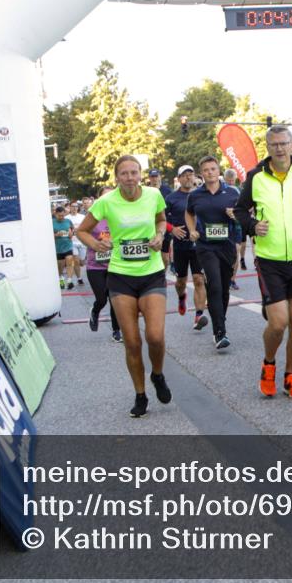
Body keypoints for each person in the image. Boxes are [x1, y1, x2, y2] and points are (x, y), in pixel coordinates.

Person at [234, 126, 292, 399]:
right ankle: (268, 365)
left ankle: (290, 375)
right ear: (268, 147)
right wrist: (252, 225)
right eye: (274, 144)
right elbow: (240, 211)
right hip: (269, 259)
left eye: (284, 143)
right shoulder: (256, 177)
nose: (279, 148)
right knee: (278, 323)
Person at [76, 155, 171, 417]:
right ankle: (140, 395)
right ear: (116, 177)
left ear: (140, 174)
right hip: (120, 275)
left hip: (151, 273)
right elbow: (82, 231)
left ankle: (158, 374)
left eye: (134, 172)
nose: (130, 177)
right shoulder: (106, 201)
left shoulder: (153, 195)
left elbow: (161, 220)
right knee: (131, 341)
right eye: (124, 174)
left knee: (155, 335)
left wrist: (160, 235)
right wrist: (95, 245)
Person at [187, 156, 240, 350]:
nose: (210, 172)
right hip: (205, 246)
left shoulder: (232, 192)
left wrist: (235, 215)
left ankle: (220, 320)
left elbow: (244, 213)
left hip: (226, 245)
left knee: (224, 288)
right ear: (202, 173)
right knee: (215, 284)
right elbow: (189, 213)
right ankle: (220, 332)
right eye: (206, 170)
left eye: (213, 169)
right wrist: (192, 229)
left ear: (219, 171)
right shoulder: (195, 195)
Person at [167, 165, 208, 330]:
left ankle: (199, 315)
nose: (188, 178)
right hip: (180, 245)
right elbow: (160, 219)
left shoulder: (201, 195)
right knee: (181, 282)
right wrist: (172, 229)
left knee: (199, 279)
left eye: (191, 175)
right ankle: (181, 296)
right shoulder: (171, 198)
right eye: (185, 175)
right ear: (179, 178)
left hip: (198, 245)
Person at [85, 186, 122, 343]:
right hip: (95, 265)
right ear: (99, 199)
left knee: (115, 298)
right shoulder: (93, 216)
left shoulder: (119, 215)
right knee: (102, 299)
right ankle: (95, 309)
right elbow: (82, 233)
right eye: (105, 196)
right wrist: (95, 243)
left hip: (115, 264)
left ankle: (116, 330)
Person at [223, 168, 247, 288]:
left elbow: (245, 207)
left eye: (233, 180)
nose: (231, 183)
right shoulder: (219, 189)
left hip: (236, 225)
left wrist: (235, 212)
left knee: (235, 251)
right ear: (225, 179)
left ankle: (232, 279)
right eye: (229, 181)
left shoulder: (238, 190)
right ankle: (224, 277)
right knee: (222, 252)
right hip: (222, 225)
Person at [146, 168, 174, 270]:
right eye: (152, 177)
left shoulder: (167, 190)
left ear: (160, 177)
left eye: (156, 176)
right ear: (149, 178)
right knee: (151, 253)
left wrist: (171, 226)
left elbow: (172, 207)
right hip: (150, 226)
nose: (154, 179)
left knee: (165, 258)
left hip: (164, 225)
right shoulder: (145, 190)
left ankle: (163, 275)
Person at [52, 206, 75, 289]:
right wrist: (56, 235)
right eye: (59, 216)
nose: (61, 217)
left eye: (63, 215)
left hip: (68, 246)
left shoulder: (68, 221)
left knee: (69, 261)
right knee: (60, 266)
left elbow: (72, 231)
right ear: (55, 214)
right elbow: (47, 237)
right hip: (58, 248)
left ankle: (69, 280)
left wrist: (71, 233)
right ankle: (61, 279)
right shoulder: (52, 222)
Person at [66, 202, 86, 286]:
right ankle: (79, 278)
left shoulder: (82, 217)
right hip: (72, 242)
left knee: (82, 262)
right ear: (70, 207)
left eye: (76, 206)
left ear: (78, 208)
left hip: (82, 242)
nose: (74, 208)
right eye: (72, 206)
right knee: (76, 261)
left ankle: (79, 274)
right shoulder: (67, 218)